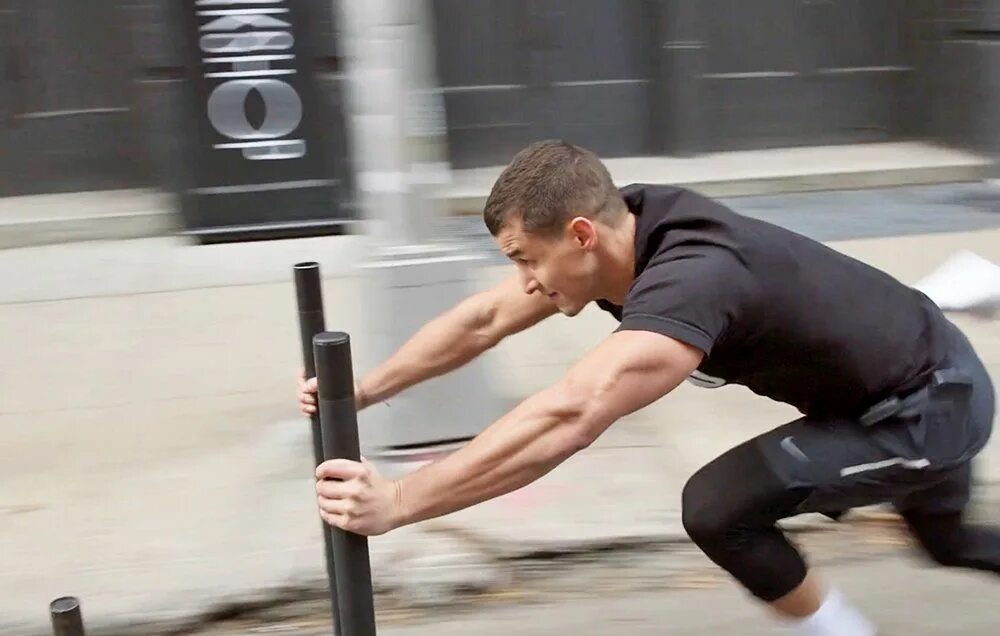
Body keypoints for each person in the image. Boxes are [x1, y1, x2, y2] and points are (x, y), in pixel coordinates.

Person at [297, 140, 998, 635]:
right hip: (915, 362)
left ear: (579, 234)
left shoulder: (690, 284)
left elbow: (568, 414)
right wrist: (361, 389)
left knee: (718, 507)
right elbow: (483, 321)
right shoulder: (626, 228)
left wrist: (398, 500)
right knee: (952, 547)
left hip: (922, 415)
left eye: (525, 260)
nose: (525, 284)